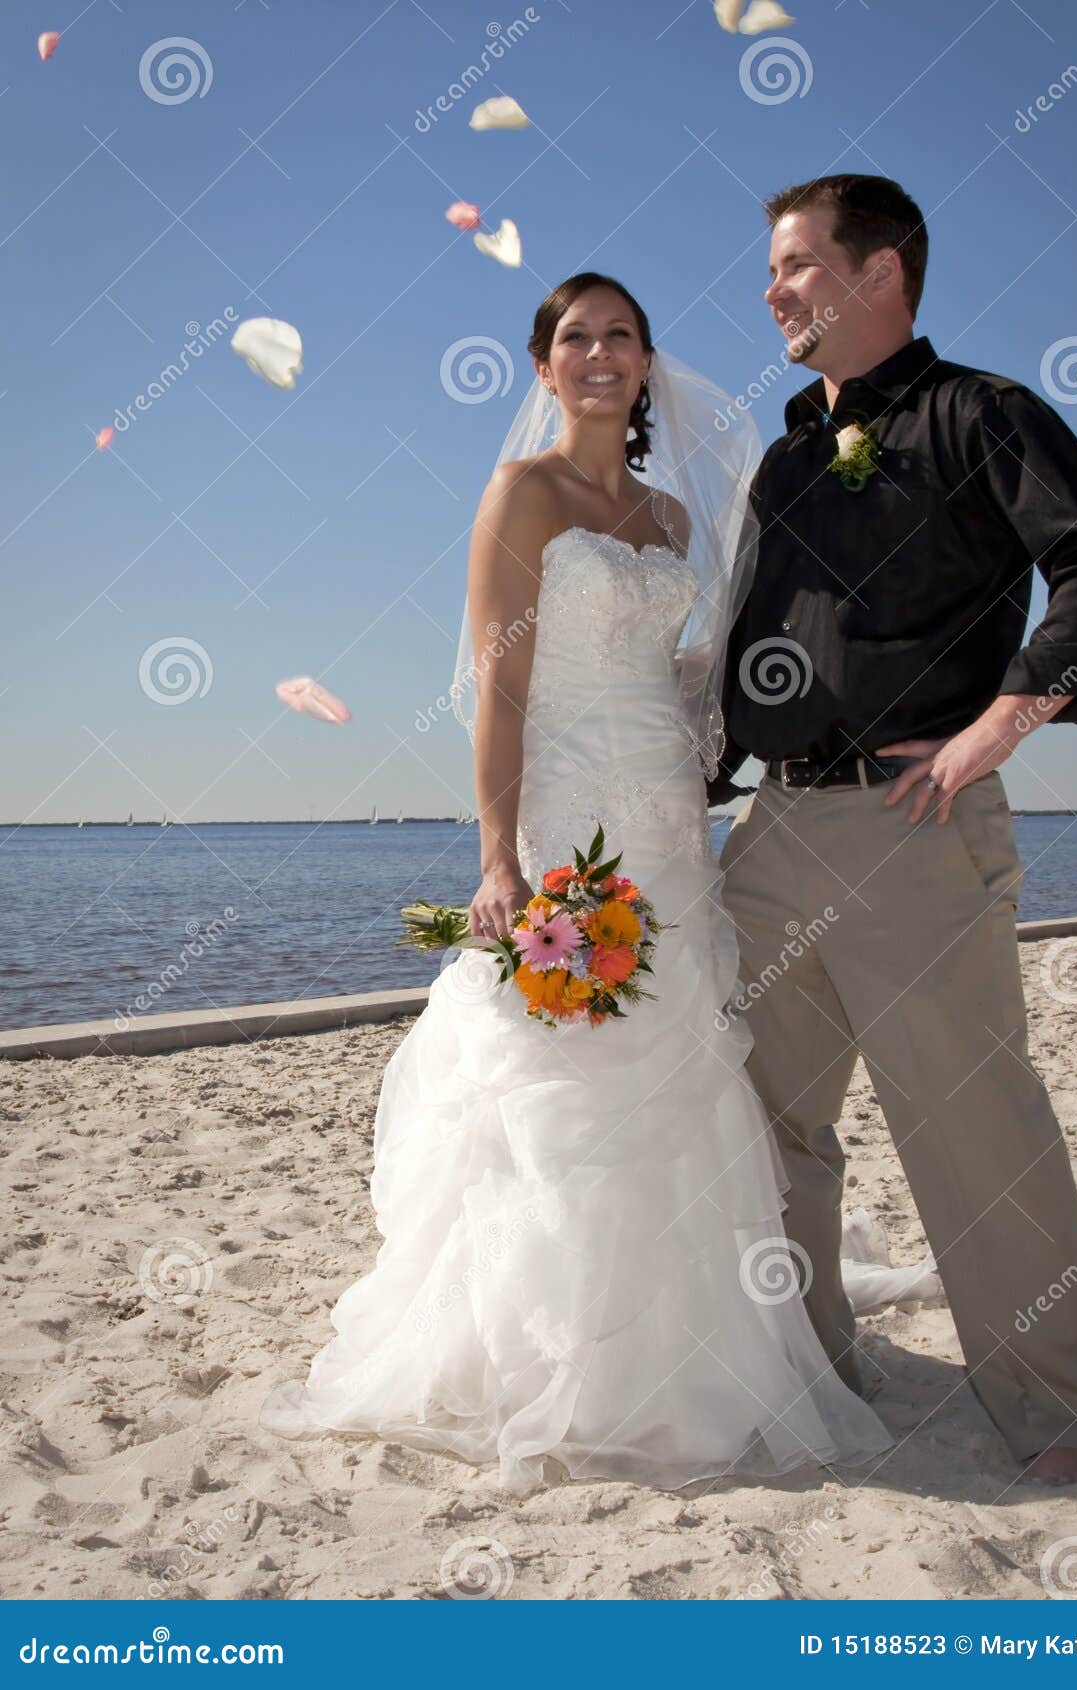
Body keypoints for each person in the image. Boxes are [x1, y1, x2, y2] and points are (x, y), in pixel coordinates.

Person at [258, 271, 898, 1496]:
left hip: (668, 820)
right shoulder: (523, 495)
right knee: (567, 1073)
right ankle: (558, 1357)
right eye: (573, 338)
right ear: (543, 369)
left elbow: (689, 679)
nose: (598, 353)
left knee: (685, 1063)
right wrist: (498, 857)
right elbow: (500, 687)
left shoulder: (670, 519)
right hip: (566, 816)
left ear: (648, 364)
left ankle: (697, 1345)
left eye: (620, 336)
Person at [707, 174, 1077, 1486]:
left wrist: (998, 726)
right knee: (760, 1131)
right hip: (771, 836)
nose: (771, 287)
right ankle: (809, 1373)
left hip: (917, 826)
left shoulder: (983, 413)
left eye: (795, 263)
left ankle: (1058, 1410)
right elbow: (756, 642)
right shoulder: (788, 456)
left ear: (878, 274)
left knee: (972, 1128)